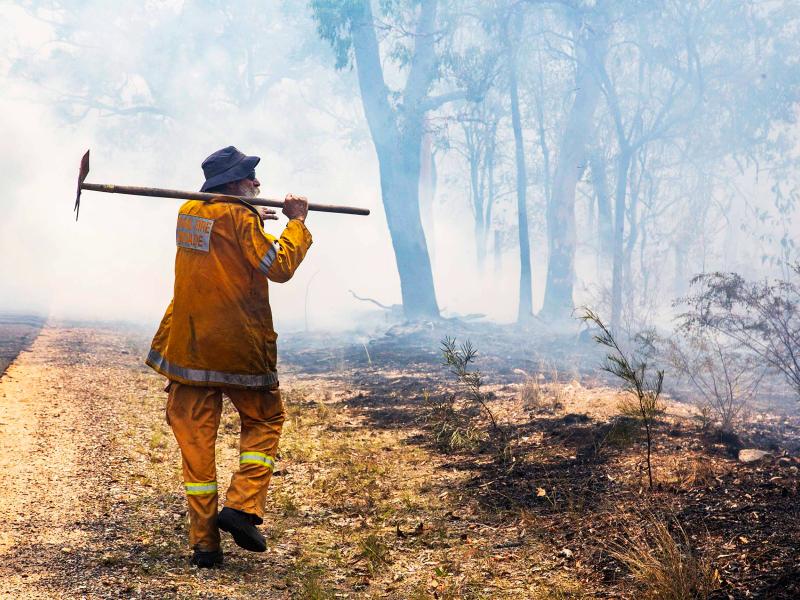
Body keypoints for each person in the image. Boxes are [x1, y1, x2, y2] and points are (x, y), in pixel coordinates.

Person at [145, 146, 312, 568]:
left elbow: (224, 243)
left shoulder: (190, 212)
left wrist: (253, 218)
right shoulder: (239, 217)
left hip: (190, 349)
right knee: (265, 420)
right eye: (250, 179)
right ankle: (241, 508)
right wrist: (295, 223)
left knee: (196, 449)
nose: (258, 183)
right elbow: (277, 265)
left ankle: (205, 546)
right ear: (234, 185)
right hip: (239, 348)